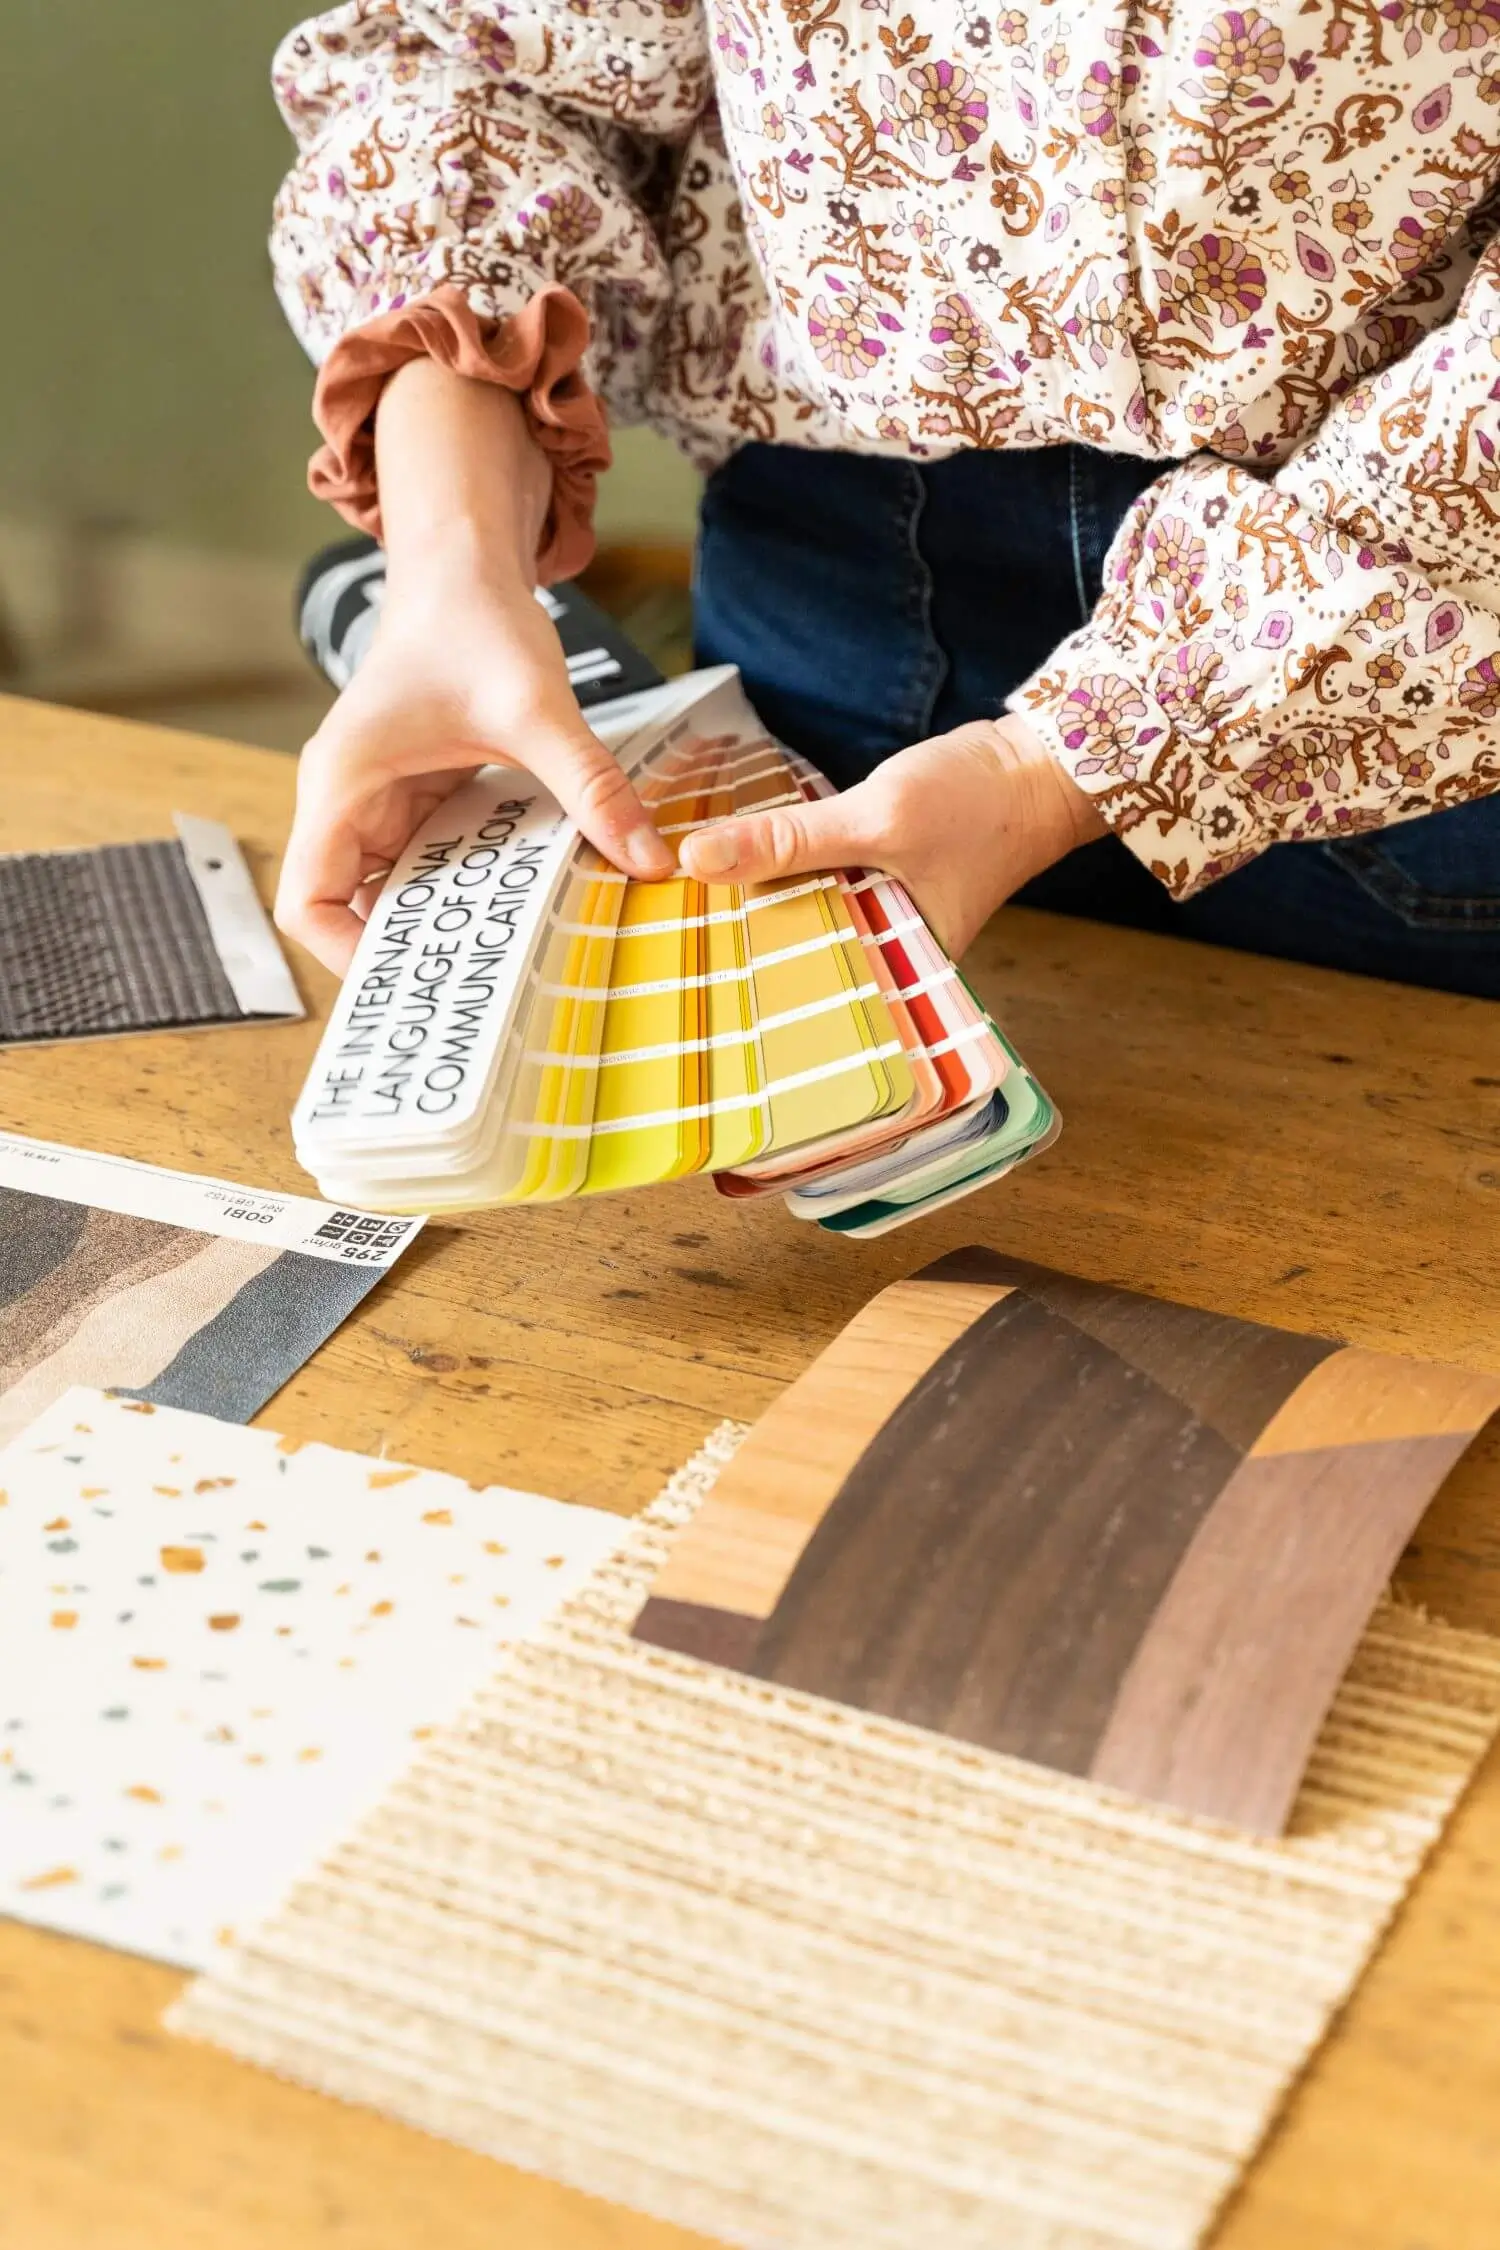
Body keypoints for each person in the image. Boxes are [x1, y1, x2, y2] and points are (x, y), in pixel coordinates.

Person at [269, 0, 1500, 1000]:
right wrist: (454, 560)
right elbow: (489, 59)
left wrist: (1056, 768)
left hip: (1411, 681)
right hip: (836, 602)